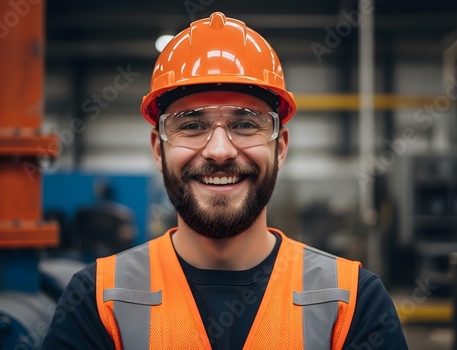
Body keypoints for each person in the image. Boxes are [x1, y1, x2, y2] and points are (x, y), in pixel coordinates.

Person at [42, 12, 408, 350]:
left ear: (279, 147)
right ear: (158, 149)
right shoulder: (98, 301)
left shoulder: (352, 303)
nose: (219, 150)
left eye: (246, 124)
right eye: (192, 125)